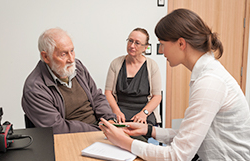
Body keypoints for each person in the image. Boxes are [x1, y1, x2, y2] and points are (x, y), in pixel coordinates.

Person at [99, 8, 250, 161]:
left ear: (181, 43)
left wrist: (125, 142)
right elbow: (189, 135)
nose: (161, 51)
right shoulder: (206, 74)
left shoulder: (209, 82)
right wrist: (149, 130)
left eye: (162, 44)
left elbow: (177, 156)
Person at [22, 28, 116, 134]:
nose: (71, 59)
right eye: (63, 54)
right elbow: (58, 128)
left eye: (72, 51)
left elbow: (97, 97)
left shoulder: (78, 66)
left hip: (100, 130)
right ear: (46, 57)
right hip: (72, 137)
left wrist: (109, 120)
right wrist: (99, 131)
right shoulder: (35, 88)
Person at [105, 28, 162, 126]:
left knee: (137, 137)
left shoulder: (152, 66)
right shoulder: (116, 63)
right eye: (130, 41)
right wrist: (116, 111)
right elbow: (108, 92)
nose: (132, 46)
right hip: (120, 110)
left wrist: (144, 114)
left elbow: (157, 96)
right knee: (114, 135)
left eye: (137, 43)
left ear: (145, 47)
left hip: (143, 112)